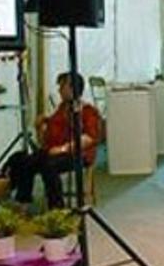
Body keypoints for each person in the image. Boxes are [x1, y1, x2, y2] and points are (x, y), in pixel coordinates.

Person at [8, 72, 101, 210]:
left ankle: (57, 208)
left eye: (62, 86)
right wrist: (41, 125)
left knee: (48, 165)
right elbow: (48, 134)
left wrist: (63, 148)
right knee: (22, 160)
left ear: (72, 88)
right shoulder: (62, 108)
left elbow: (89, 138)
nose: (59, 90)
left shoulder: (87, 111)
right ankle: (23, 200)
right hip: (54, 151)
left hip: (78, 154)